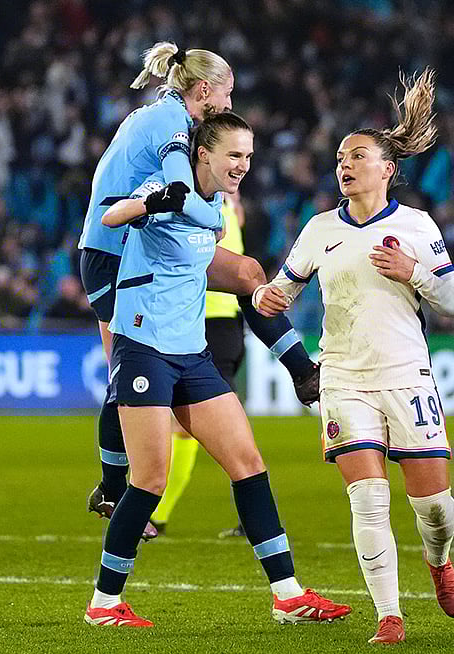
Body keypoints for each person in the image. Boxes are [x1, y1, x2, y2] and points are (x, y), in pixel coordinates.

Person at [82, 111, 351, 627]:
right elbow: (111, 216)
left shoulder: (216, 205)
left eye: (248, 156)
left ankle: (288, 594)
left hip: (193, 355)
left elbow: (222, 265)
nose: (243, 166)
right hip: (144, 350)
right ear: (202, 154)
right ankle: (105, 602)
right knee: (151, 481)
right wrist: (152, 201)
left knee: (248, 463)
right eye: (234, 155)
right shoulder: (169, 185)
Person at [254, 69, 454, 645]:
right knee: (368, 498)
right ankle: (389, 615)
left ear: (387, 168)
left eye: (357, 156)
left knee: (435, 508)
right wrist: (264, 295)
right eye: (340, 159)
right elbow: (279, 291)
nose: (344, 166)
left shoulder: (416, 226)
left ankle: (439, 559)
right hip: (343, 376)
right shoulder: (320, 228)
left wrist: (414, 272)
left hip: (406, 372)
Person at [78, 42, 320, 539]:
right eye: (227, 95)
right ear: (204, 90)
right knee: (125, 373)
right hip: (113, 256)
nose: (229, 105)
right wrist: (212, 217)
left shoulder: (171, 120)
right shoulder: (169, 124)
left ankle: (304, 372)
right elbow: (179, 194)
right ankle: (110, 486)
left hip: (152, 246)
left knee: (250, 273)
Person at [150, 192, 249, 539]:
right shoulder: (227, 212)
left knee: (196, 427)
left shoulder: (204, 212)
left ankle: (157, 517)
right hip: (224, 324)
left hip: (209, 323)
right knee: (197, 425)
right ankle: (159, 516)